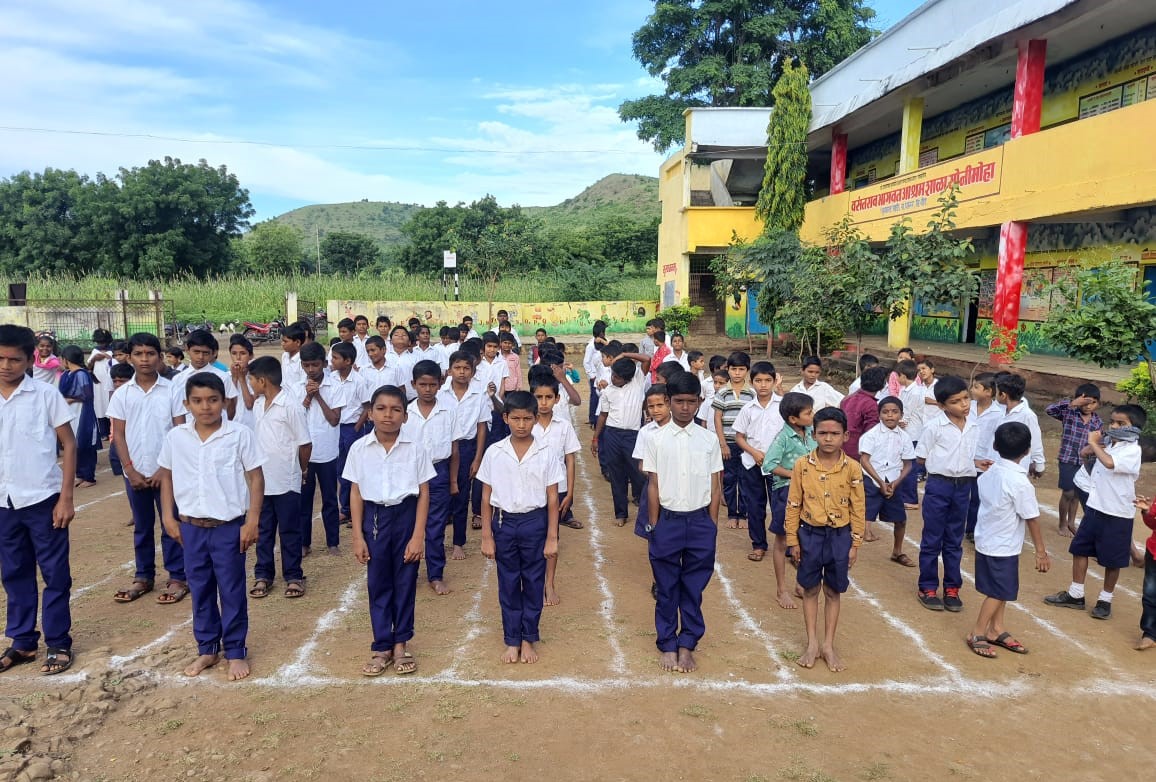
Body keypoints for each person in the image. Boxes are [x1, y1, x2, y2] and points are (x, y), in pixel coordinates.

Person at [157, 372, 264, 680]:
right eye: (198, 401)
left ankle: (235, 651)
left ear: (223, 401)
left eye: (213, 400)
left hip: (228, 527)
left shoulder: (239, 434)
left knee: (231, 590)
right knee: (200, 589)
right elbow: (166, 475)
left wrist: (252, 520)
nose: (206, 407)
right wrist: (168, 517)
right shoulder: (177, 437)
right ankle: (207, 649)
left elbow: (256, 478)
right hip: (190, 527)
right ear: (187, 404)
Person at [0, 324, 77, 676]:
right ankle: (22, 641)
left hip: (43, 501)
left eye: (14, 359)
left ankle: (58, 641)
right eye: (0, 359)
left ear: (30, 358)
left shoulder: (46, 395)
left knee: (55, 574)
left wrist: (66, 498)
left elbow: (69, 444)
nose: (5, 366)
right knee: (14, 573)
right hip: (4, 504)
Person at [344, 384, 433, 677]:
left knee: (405, 581)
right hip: (375, 519)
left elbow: (424, 492)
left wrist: (418, 535)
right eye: (381, 409)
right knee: (378, 583)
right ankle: (382, 644)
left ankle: (400, 644)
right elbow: (355, 493)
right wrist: (357, 535)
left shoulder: (415, 448)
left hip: (406, 516)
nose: (388, 415)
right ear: (370, 413)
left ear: (405, 417)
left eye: (396, 410)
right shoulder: (359, 448)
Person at [642, 372, 723, 673]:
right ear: (669, 402)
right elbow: (653, 484)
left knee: (693, 587)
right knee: (666, 586)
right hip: (668, 522)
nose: (685, 408)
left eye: (691, 402)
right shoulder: (656, 439)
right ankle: (667, 643)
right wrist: (654, 525)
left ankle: (687, 643)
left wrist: (712, 525)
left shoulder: (709, 440)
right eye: (679, 402)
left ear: (700, 402)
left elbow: (715, 485)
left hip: (700, 522)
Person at [478, 391, 563, 664]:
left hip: (534, 523)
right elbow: (485, 497)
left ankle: (529, 639)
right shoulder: (494, 452)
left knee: (533, 581)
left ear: (536, 419)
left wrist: (552, 537)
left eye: (528, 419)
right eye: (516, 418)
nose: (522, 424)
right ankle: (512, 639)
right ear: (505, 419)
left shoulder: (547, 453)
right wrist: (487, 537)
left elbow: (552, 498)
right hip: (503, 523)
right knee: (509, 583)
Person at [1045, 404, 1146, 620]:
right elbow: (1090, 457)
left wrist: (1093, 443)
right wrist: (1091, 448)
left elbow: (1109, 463)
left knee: (1113, 560)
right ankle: (1076, 594)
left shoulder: (1132, 450)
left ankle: (1105, 600)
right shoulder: (1109, 443)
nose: (1114, 426)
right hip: (1095, 507)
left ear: (1135, 428)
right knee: (1080, 549)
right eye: (1112, 422)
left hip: (1117, 513)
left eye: (1121, 423)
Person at [109, 333, 189, 606]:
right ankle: (143, 576)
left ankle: (178, 576)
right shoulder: (122, 394)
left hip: (166, 473)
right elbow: (118, 434)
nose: (145, 359)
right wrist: (129, 470)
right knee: (142, 527)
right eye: (139, 354)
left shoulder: (172, 391)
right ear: (130, 357)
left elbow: (179, 431)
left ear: (159, 356)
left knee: (171, 525)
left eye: (150, 353)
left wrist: (164, 471)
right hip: (136, 473)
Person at [785, 407, 863, 672]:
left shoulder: (852, 468)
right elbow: (793, 503)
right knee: (810, 589)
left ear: (846, 436)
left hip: (840, 536)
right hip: (809, 535)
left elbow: (858, 507)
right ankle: (812, 643)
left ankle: (828, 644)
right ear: (813, 434)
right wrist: (793, 540)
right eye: (823, 433)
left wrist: (855, 544)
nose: (828, 438)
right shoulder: (802, 466)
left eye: (835, 433)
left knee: (832, 590)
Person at [966, 421, 1050, 659]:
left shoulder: (988, 473)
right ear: (1026, 451)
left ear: (995, 445)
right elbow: (1032, 518)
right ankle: (978, 631)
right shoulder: (1020, 483)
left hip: (989, 538)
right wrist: (1041, 552)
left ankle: (996, 628)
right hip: (1002, 544)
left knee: (1000, 588)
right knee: (1001, 590)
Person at [248, 357, 310, 600]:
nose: (251, 384)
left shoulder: (290, 406)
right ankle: (263, 574)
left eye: (252, 380)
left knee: (289, 530)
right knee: (263, 530)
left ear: (262, 380)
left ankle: (294, 575)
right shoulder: (258, 404)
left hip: (285, 479)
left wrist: (301, 470)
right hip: (262, 480)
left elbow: (305, 443)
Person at [915, 376, 977, 612]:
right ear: (942, 406)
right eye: (956, 401)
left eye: (965, 398)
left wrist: (973, 463)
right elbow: (921, 456)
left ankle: (952, 588)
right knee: (932, 538)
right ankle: (927, 587)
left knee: (954, 539)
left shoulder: (974, 425)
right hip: (939, 486)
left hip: (964, 487)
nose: (964, 404)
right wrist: (943, 463)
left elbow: (970, 454)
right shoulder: (933, 427)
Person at [407, 360, 458, 596]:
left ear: (440, 384)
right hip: (410, 474)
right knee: (409, 525)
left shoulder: (448, 410)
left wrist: (453, 481)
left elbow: (454, 449)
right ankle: (408, 573)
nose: (427, 389)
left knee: (435, 527)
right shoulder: (405, 412)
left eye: (432, 384)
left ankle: (435, 575)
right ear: (413, 385)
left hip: (438, 473)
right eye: (422, 384)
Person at [762, 392, 816, 610]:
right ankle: (781, 589)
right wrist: (796, 474)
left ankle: (800, 583)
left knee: (805, 540)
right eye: (808, 413)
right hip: (786, 493)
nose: (813, 415)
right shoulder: (782, 438)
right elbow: (768, 465)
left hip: (810, 493)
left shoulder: (812, 432)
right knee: (783, 540)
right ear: (794, 419)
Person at [531, 377, 582, 607]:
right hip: (531, 491)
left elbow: (570, 460)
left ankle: (549, 583)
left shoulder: (564, 426)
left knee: (553, 538)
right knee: (532, 539)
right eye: (539, 397)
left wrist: (569, 493)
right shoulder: (525, 424)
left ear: (557, 399)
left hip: (557, 491)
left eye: (548, 397)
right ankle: (533, 582)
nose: (543, 402)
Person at [297, 341, 347, 557]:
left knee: (329, 498)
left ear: (324, 364)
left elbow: (335, 419)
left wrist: (318, 395)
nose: (311, 370)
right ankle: (304, 542)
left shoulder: (335, 387)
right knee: (304, 501)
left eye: (315, 365)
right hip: (304, 454)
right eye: (306, 365)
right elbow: (295, 417)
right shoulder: (295, 386)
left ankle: (332, 542)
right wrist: (308, 396)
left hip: (327, 452)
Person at [732, 361, 783, 562]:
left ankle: (785, 544)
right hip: (751, 464)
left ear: (774, 381)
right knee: (754, 506)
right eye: (758, 381)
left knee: (780, 505)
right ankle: (759, 544)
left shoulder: (782, 406)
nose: (763, 385)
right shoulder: (747, 409)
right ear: (751, 383)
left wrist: (772, 456)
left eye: (767, 380)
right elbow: (739, 437)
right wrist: (754, 453)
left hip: (777, 465)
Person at [591, 353, 650, 525]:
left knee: (639, 474)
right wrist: (596, 438)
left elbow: (646, 359)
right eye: (612, 375)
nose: (613, 378)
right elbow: (603, 415)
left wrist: (624, 354)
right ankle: (621, 513)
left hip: (633, 436)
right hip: (612, 435)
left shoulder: (638, 381)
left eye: (617, 377)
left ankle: (642, 504)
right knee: (617, 476)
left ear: (628, 378)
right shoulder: (608, 391)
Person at [441, 350, 489, 560]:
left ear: (472, 371)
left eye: (466, 368)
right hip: (442, 449)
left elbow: (481, 427)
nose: (461, 372)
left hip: (467, 448)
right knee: (438, 497)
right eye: (457, 368)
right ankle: (432, 540)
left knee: (461, 497)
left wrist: (477, 458)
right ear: (450, 370)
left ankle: (458, 542)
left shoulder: (479, 395)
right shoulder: (440, 393)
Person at [859, 397, 916, 563]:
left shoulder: (905, 437)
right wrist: (879, 482)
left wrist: (895, 483)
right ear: (879, 415)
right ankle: (848, 550)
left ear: (901, 415)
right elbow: (864, 460)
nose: (890, 416)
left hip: (892, 481)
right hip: (872, 480)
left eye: (894, 412)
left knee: (900, 519)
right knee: (863, 516)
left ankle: (897, 552)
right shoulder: (872, 435)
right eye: (885, 412)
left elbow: (907, 464)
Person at [1045, 385, 1102, 537]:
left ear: (1098, 404)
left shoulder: (1097, 422)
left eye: (1093, 402)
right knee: (1068, 492)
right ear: (1078, 400)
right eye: (1085, 402)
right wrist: (1072, 403)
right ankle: (1062, 524)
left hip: (1085, 461)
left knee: (1077, 493)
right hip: (1068, 458)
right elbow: (1050, 410)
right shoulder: (1069, 412)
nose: (1088, 406)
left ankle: (1071, 522)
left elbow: (1097, 443)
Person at [712, 351, 755, 528]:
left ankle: (743, 515)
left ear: (747, 370)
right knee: (729, 479)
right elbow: (717, 418)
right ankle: (732, 513)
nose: (737, 373)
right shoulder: (723, 392)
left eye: (741, 369)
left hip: (746, 444)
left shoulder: (752, 393)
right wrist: (722, 444)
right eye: (733, 369)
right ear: (727, 370)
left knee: (745, 479)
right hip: (728, 443)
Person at [330, 342, 368, 526]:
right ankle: (346, 508)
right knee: (340, 469)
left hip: (352, 427)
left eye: (336, 358)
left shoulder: (359, 381)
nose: (332, 361)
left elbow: (367, 407)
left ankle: (354, 510)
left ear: (348, 361)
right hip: (335, 428)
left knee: (355, 469)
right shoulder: (331, 378)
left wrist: (356, 428)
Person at [633, 384, 673, 543]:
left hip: (678, 488)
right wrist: (658, 474)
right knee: (653, 527)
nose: (655, 410)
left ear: (669, 403)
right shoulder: (645, 432)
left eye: (660, 405)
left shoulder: (679, 428)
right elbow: (642, 465)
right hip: (654, 486)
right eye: (651, 406)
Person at [59, 346, 102, 488]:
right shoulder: (67, 374)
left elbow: (86, 395)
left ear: (66, 359)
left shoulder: (81, 374)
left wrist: (70, 400)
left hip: (82, 412)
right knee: (73, 444)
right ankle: (80, 475)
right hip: (70, 413)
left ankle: (89, 476)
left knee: (85, 444)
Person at [968, 373, 1003, 541]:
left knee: (979, 497)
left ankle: (974, 529)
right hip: (966, 459)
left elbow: (995, 440)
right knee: (963, 495)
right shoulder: (967, 407)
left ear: (988, 392)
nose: (972, 390)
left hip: (985, 462)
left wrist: (991, 462)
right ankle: (965, 527)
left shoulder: (998, 413)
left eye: (976, 387)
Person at [995, 374, 1045, 478]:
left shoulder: (1027, 415)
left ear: (1003, 395)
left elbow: (1035, 440)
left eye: (996, 392)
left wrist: (1039, 464)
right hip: (996, 463)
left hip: (1017, 466)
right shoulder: (998, 410)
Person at [185, 331, 239, 420]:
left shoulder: (223, 377)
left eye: (205, 353)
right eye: (196, 352)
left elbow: (231, 406)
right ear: (187, 350)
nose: (200, 357)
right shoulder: (178, 380)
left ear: (213, 353)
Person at [894, 360, 924, 510]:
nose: (897, 379)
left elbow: (905, 417)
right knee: (904, 465)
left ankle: (911, 499)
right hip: (906, 433)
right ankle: (905, 495)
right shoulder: (905, 390)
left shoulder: (915, 392)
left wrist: (896, 420)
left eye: (898, 376)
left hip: (912, 433)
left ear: (903, 376)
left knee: (909, 467)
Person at [841, 365, 887, 461]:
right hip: (858, 452)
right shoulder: (871, 405)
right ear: (882, 386)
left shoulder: (847, 398)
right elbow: (871, 433)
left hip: (841, 447)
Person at [1131, 492, 1156, 651]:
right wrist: (1147, 512)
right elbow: (1153, 524)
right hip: (1154, 552)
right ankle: (1150, 634)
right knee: (1150, 594)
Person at [88, 328, 115, 439]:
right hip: (98, 384)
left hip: (110, 383)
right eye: (99, 342)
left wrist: (106, 356)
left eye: (103, 342)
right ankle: (103, 432)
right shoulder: (95, 351)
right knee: (99, 406)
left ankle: (111, 430)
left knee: (110, 405)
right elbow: (89, 366)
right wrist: (94, 358)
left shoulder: (113, 351)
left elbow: (116, 362)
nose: (101, 344)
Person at [583, 320, 609, 429]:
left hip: (606, 375)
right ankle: (593, 420)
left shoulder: (606, 341)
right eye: (603, 331)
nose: (604, 333)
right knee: (595, 398)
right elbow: (586, 362)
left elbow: (613, 348)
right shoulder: (591, 345)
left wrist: (603, 342)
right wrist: (591, 375)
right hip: (596, 376)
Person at [280, 322, 308, 393]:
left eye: (285, 341)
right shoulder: (285, 355)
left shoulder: (303, 360)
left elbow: (304, 384)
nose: (282, 344)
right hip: (285, 395)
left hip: (298, 397)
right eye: (282, 341)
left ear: (298, 342)